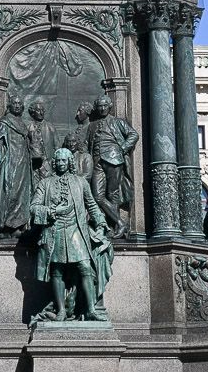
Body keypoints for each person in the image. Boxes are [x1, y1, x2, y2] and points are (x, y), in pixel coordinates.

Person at [30, 148, 110, 321]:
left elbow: (92, 205)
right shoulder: (45, 183)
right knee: (57, 270)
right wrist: (52, 211)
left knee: (85, 266)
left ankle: (91, 309)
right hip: (55, 230)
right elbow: (34, 207)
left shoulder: (81, 182)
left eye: (64, 160)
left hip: (76, 230)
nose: (60, 163)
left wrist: (101, 223)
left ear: (69, 162)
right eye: (58, 161)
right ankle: (61, 311)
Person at [85, 94, 139, 237]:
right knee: (97, 196)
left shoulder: (117, 122)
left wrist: (122, 148)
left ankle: (113, 227)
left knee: (112, 194)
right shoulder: (92, 125)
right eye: (100, 106)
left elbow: (133, 134)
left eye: (105, 106)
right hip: (96, 161)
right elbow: (87, 144)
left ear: (110, 107)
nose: (102, 108)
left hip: (113, 159)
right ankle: (121, 223)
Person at [0, 93, 35, 239]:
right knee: (7, 193)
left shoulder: (23, 124)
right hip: (10, 163)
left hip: (23, 164)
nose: (17, 106)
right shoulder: (4, 122)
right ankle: (0, 228)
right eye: (15, 103)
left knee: (21, 196)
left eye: (20, 103)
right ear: (9, 105)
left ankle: (16, 226)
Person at [28, 99, 59, 180]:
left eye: (42, 110)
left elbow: (57, 147)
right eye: (38, 110)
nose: (41, 113)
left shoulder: (51, 128)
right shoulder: (28, 128)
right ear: (33, 112)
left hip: (47, 165)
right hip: (32, 165)